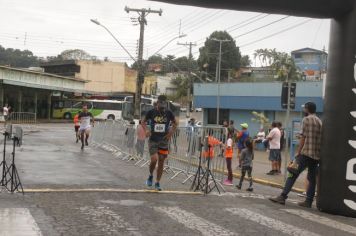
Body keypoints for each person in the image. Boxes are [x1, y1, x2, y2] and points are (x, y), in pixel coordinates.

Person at [269, 102, 322, 208]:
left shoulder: (306, 119)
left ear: (307, 109)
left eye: (304, 108)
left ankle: (283, 196)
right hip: (316, 155)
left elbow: (303, 137)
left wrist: (298, 152)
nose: (303, 110)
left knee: (292, 173)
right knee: (312, 179)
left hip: (306, 152)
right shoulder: (319, 121)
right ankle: (308, 201)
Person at [143, 95, 177, 191]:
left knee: (161, 161)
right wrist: (146, 130)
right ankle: (150, 175)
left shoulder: (169, 112)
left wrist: (170, 133)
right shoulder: (151, 112)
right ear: (157, 103)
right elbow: (143, 121)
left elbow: (175, 123)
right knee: (154, 159)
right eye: (161, 105)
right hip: (153, 139)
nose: (163, 108)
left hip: (163, 140)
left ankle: (157, 182)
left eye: (164, 106)